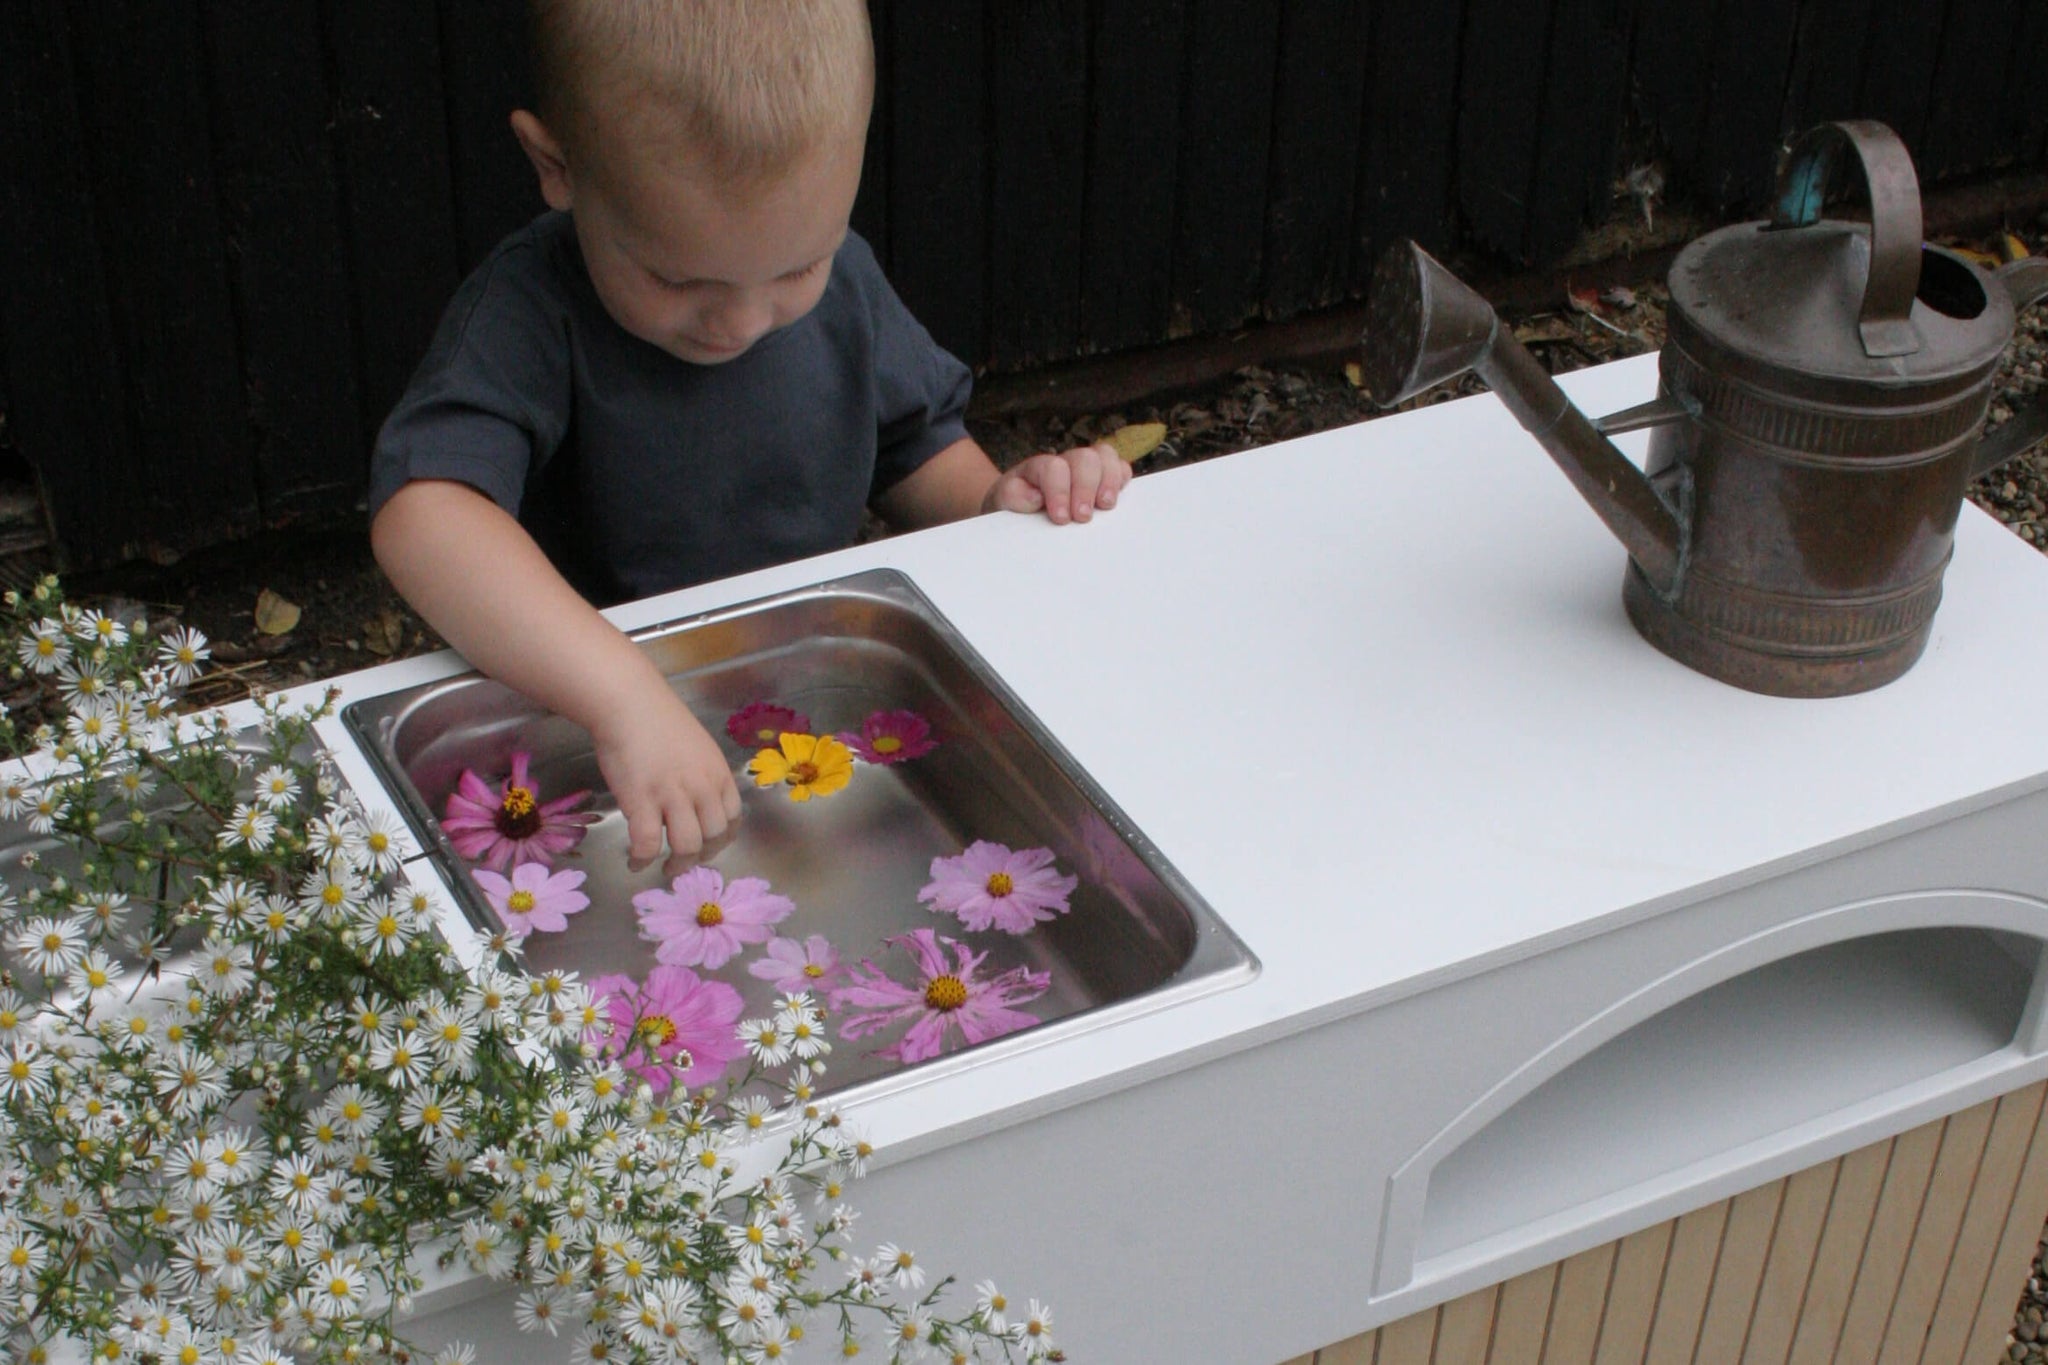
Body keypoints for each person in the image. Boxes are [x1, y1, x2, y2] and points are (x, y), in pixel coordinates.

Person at [369, 0, 1130, 867]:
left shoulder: (842, 280)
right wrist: (621, 694)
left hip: (799, 708)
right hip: (573, 734)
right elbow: (425, 513)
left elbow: (915, 445)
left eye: (795, 266)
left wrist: (994, 503)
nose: (740, 319)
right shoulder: (531, 315)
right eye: (676, 275)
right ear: (557, 167)